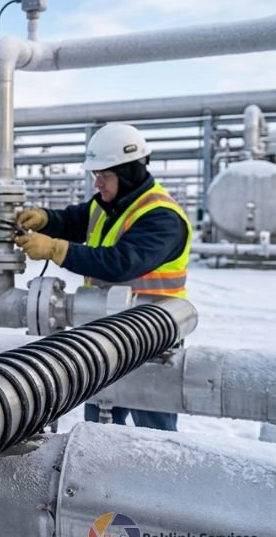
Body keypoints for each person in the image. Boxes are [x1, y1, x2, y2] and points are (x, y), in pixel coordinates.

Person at [13, 123, 191, 431]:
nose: (97, 183)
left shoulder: (162, 217)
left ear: (128, 173)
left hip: (153, 337)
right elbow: (74, 220)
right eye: (95, 175)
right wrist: (46, 220)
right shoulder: (109, 204)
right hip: (106, 332)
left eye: (104, 175)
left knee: (154, 431)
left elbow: (120, 263)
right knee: (100, 425)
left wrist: (56, 249)